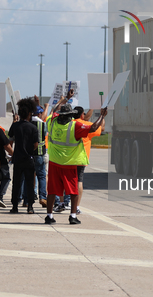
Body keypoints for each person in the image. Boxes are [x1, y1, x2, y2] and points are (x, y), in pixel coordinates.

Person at [45, 90, 107, 225]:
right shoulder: (75, 126)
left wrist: (65, 99)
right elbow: (93, 128)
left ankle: (49, 216)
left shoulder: (52, 122)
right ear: (70, 115)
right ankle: (72, 215)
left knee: (52, 191)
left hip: (54, 162)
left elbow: (53, 111)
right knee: (73, 191)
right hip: (69, 163)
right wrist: (101, 116)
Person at [9, 98, 39, 214]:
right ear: (29, 114)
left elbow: (10, 138)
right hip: (29, 159)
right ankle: (30, 206)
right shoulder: (33, 127)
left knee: (16, 183)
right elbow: (35, 144)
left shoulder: (15, 126)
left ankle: (14, 206)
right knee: (29, 183)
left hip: (17, 158)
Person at [72, 106, 104, 215]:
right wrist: (102, 115)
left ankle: (63, 202)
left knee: (66, 180)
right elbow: (101, 128)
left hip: (67, 158)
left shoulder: (69, 124)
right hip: (81, 158)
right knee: (79, 181)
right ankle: (76, 206)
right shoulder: (86, 126)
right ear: (82, 115)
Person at [31, 104, 48, 208]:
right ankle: (42, 197)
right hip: (40, 153)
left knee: (28, 177)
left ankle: (27, 199)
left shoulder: (27, 122)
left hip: (29, 154)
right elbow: (44, 134)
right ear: (39, 113)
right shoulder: (42, 124)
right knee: (41, 176)